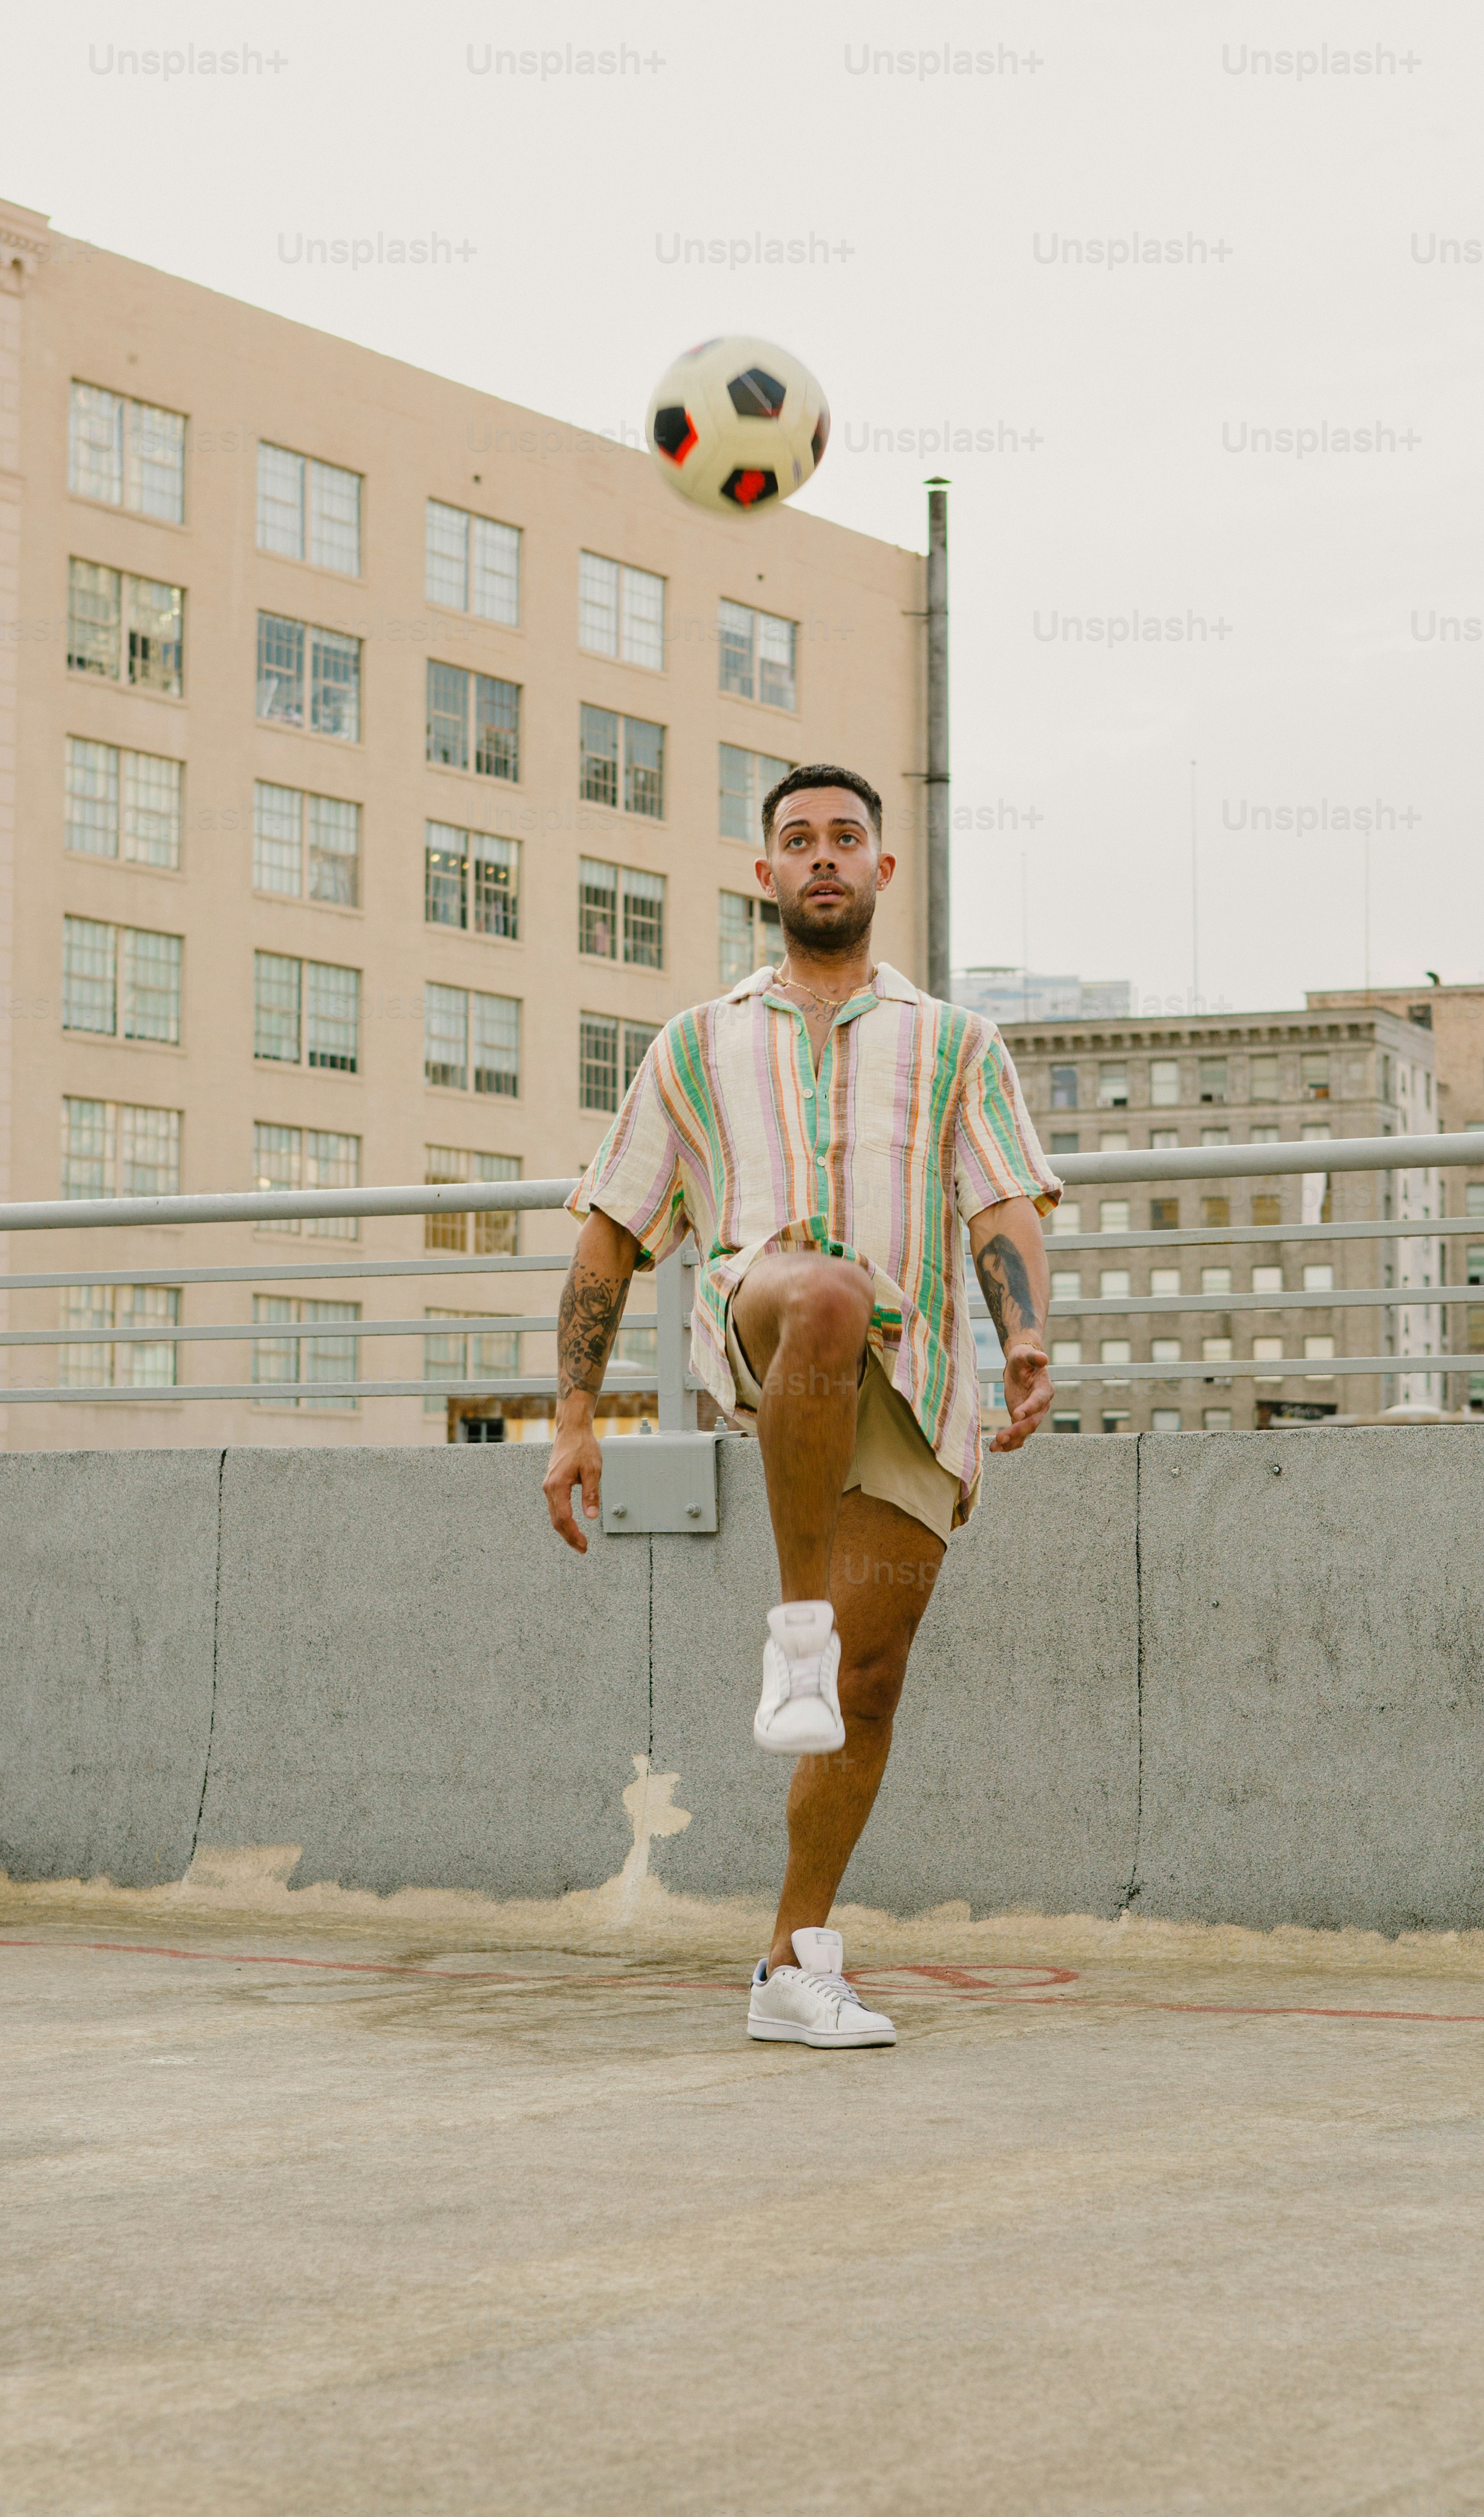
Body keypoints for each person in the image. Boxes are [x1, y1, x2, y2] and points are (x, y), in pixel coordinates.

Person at [543, 766, 1059, 2049]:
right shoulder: (695, 1043)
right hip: (769, 1323)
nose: (820, 857)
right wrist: (570, 1417)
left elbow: (999, 1201)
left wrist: (1028, 1335)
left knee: (870, 1689)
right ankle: (794, 1632)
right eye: (795, 841)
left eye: (845, 839)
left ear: (882, 872)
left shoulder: (954, 1043)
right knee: (822, 1293)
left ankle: (791, 1964)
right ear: (761, 875)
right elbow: (612, 1234)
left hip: (914, 1382)